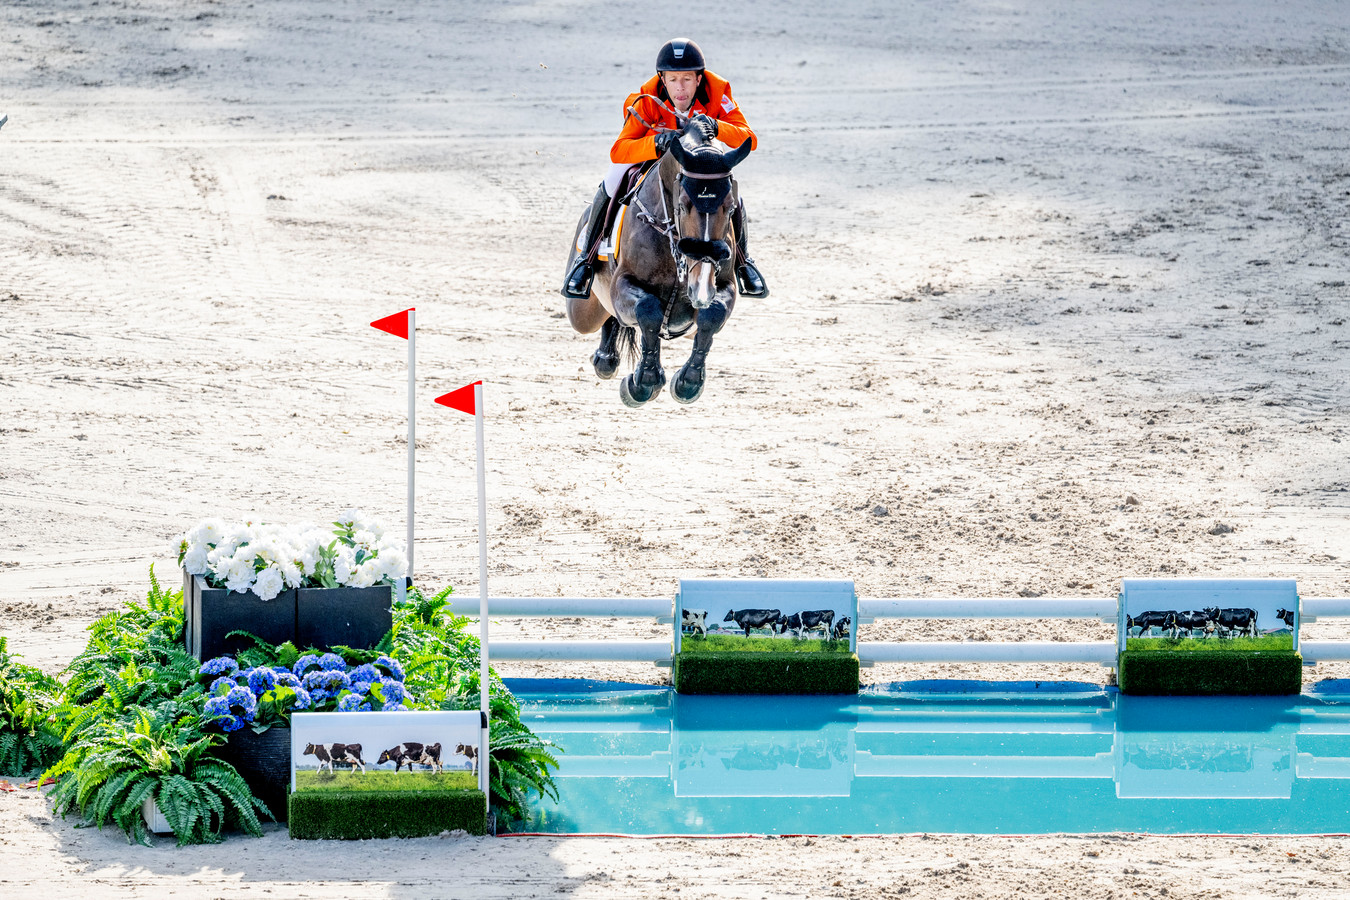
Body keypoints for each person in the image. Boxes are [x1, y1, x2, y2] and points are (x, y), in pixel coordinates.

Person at [561, 38, 768, 300]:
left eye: (687, 79)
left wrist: (717, 126)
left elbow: (749, 138)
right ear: (663, 79)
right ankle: (586, 260)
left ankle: (743, 263)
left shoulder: (719, 92)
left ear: (699, 79)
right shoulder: (646, 100)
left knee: (732, 194)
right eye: (673, 80)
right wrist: (655, 142)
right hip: (654, 162)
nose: (680, 88)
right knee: (612, 179)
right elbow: (619, 150)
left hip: (698, 166)